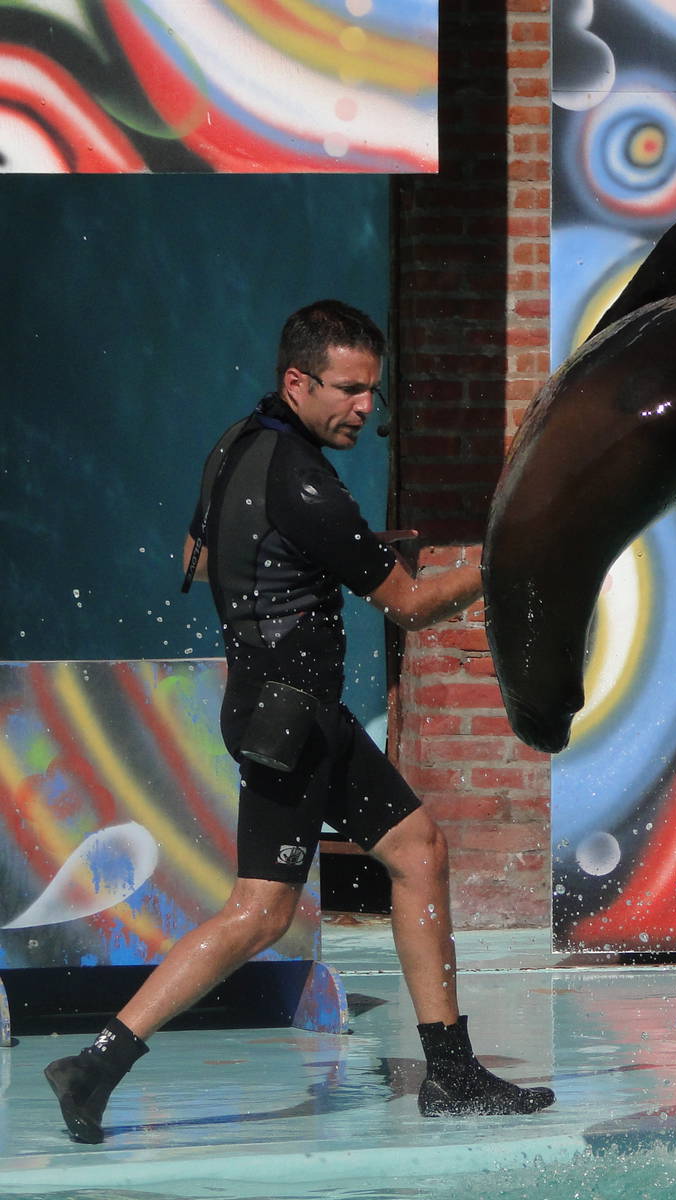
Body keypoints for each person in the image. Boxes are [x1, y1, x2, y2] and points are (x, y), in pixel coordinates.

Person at [43, 300, 553, 1144]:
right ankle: (97, 1061)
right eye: (350, 390)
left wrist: (310, 549)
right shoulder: (308, 483)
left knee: (418, 851)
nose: (364, 408)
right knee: (259, 914)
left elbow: (196, 558)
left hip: (277, 706)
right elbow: (416, 605)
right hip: (292, 721)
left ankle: (452, 1071)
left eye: (371, 393)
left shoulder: (233, 446)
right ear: (298, 381)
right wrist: (501, 560)